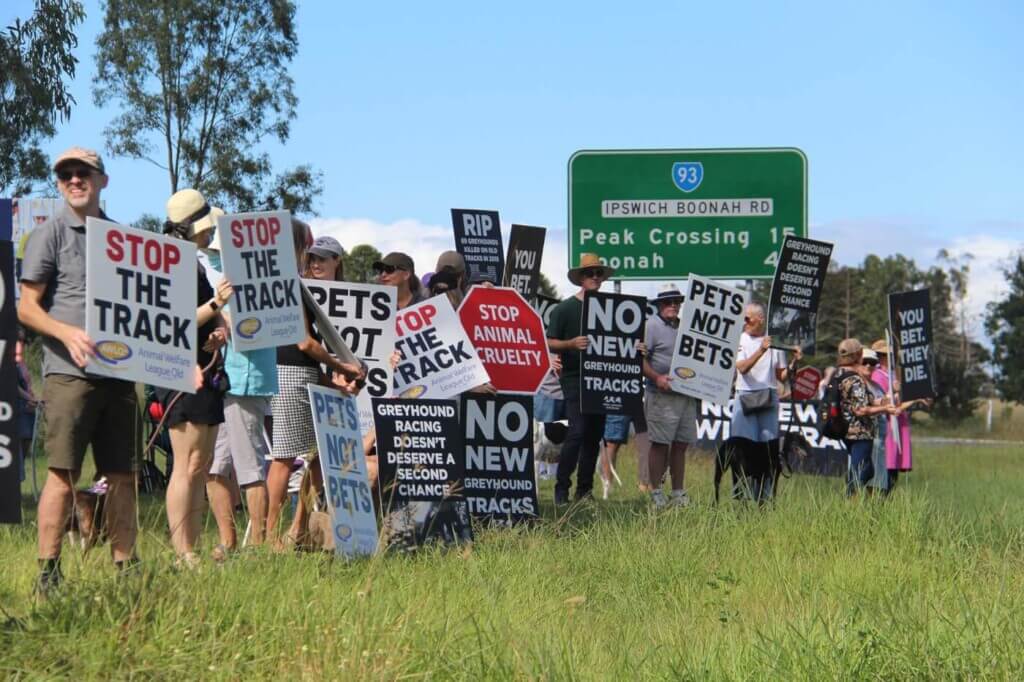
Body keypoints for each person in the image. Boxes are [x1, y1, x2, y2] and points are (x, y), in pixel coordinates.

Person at [18, 148, 141, 592]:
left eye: (82, 173)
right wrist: (67, 334)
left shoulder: (122, 239)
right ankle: (48, 573)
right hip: (69, 373)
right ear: (58, 184)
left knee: (123, 475)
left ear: (102, 181)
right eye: (66, 175)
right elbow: (28, 309)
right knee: (63, 473)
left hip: (121, 374)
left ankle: (127, 569)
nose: (74, 180)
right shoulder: (49, 235)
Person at [266, 221, 363, 546]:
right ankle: (270, 537)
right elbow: (305, 344)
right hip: (290, 374)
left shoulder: (301, 285)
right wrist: (342, 367)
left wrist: (335, 380)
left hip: (304, 374)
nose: (313, 261)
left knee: (320, 455)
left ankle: (299, 529)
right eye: (310, 253)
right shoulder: (291, 284)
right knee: (284, 456)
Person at [158, 189, 233, 566]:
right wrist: (217, 305)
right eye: (205, 228)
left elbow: (206, 317)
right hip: (179, 369)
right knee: (185, 462)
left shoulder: (197, 263)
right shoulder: (169, 264)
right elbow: (177, 319)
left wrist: (219, 330)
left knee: (199, 465)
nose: (209, 234)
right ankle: (181, 550)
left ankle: (194, 547)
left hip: (209, 370)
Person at [199, 206, 276, 553]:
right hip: (220, 381)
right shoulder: (210, 276)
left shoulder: (265, 275)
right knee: (214, 467)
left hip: (247, 380)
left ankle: (258, 546)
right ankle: (227, 542)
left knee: (249, 467)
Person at [546, 253, 612, 504]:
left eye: (599, 273)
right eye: (590, 273)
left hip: (603, 379)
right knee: (576, 432)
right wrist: (571, 344)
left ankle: (585, 491)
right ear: (580, 279)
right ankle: (561, 488)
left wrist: (636, 349)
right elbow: (550, 341)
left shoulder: (610, 309)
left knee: (594, 435)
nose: (595, 277)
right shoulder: (565, 309)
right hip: (574, 377)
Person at [729, 302, 800, 501]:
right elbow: (742, 368)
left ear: (760, 319)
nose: (744, 323)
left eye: (747, 318)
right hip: (745, 395)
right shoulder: (740, 339)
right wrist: (761, 350)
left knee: (768, 450)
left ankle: (765, 497)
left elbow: (782, 376)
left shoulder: (774, 342)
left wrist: (795, 362)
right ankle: (741, 496)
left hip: (768, 397)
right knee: (743, 449)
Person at [642, 284, 697, 508]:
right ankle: (656, 492)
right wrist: (656, 378)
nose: (673, 305)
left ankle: (677, 492)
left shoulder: (685, 326)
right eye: (667, 301)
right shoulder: (650, 326)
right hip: (661, 395)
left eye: (676, 301)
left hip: (686, 395)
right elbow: (638, 360)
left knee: (681, 444)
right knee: (660, 444)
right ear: (658, 305)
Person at [834, 339, 899, 497]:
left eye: (872, 363)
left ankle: (870, 517)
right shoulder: (855, 382)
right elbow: (860, 409)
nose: (869, 366)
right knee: (859, 480)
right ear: (857, 362)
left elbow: (874, 401)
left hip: (877, 441)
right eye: (865, 362)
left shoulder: (874, 386)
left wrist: (891, 398)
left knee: (877, 486)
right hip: (861, 437)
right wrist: (884, 408)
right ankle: (851, 514)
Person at [870, 338, 914, 490]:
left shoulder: (893, 375)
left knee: (895, 462)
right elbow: (882, 400)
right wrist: (893, 391)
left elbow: (899, 402)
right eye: (887, 355)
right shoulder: (877, 375)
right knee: (887, 461)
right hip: (887, 422)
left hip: (898, 421)